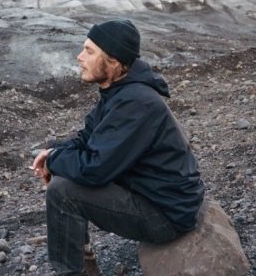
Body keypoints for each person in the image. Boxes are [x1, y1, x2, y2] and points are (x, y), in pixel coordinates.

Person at [33, 19, 205, 276]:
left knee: (63, 191)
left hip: (166, 215)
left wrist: (54, 162)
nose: (80, 57)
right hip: (151, 195)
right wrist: (52, 153)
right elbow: (86, 139)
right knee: (66, 170)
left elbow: (95, 169)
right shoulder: (116, 92)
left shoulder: (135, 102)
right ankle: (86, 259)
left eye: (89, 51)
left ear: (113, 61)